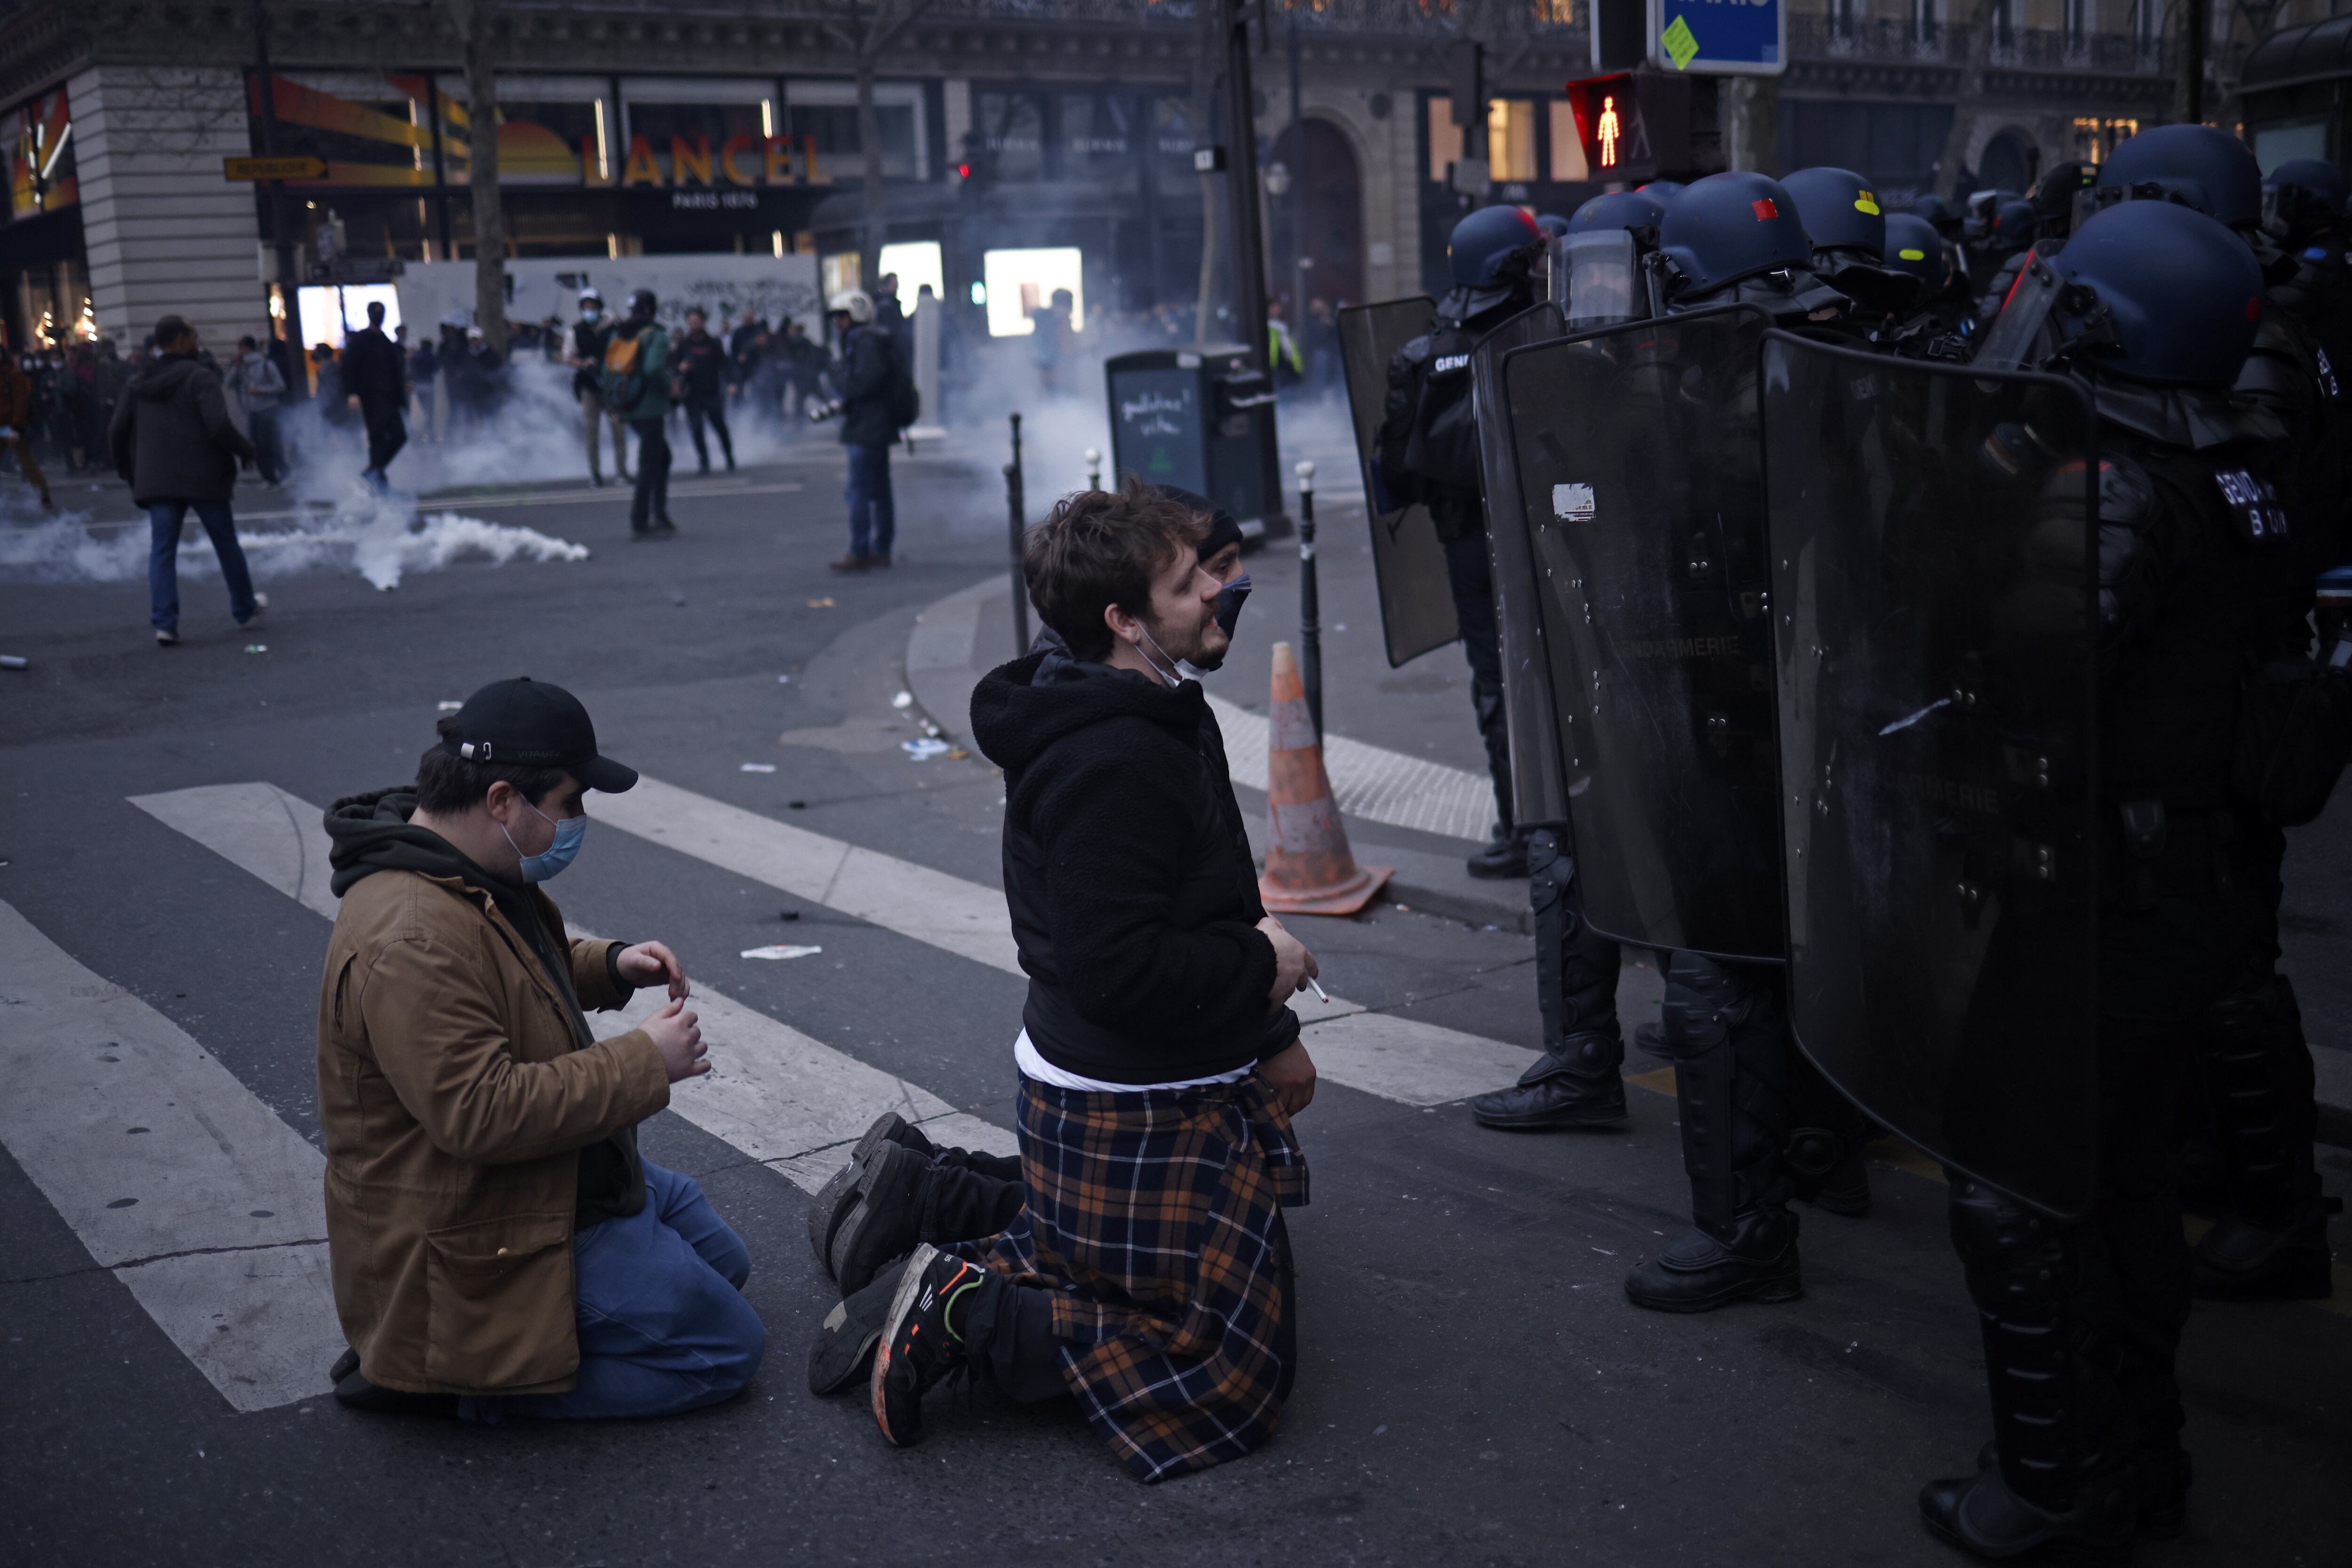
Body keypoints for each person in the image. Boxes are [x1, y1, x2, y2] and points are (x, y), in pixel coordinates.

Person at [1916, 196, 2299, 1559]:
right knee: (2123, 1175)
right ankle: (2142, 1462)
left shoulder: (2120, 489)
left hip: (2107, 898)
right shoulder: (2248, 470)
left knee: (2016, 1186)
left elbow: (2027, 659)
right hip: (2190, 892)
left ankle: (2056, 1488)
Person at [807, 481, 1318, 1477]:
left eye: (1217, 567)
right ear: (1124, 620)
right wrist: (1270, 968)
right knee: (1231, 1367)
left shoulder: (1140, 691)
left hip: (1134, 1075)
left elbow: (1201, 892)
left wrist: (1266, 1031)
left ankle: (928, 1196)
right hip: (1131, 1096)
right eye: (1194, 581)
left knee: (1135, 1261)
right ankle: (968, 1310)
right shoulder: (1117, 756)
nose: (1227, 588)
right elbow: (1119, 965)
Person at [318, 677, 765, 1422]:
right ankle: (474, 1389)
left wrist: (611, 965)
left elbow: (514, 970)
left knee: (725, 1264)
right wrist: (645, 1062)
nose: (578, 822)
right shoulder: (410, 935)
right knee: (727, 1349)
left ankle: (547, 1334)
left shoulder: (464, 865)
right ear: (502, 800)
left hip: (562, 1174)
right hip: (482, 1213)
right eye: (570, 804)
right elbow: (479, 1114)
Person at [1375, 204, 1546, 880]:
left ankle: (1518, 828)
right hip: (1540, 536)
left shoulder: (1420, 355)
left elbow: (1394, 468)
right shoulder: (1542, 337)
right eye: (1531, 259)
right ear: (1510, 267)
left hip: (1466, 543)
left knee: (1495, 682)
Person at [109, 314, 262, 646]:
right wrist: (246, 450)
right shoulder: (199, 377)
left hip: (159, 479)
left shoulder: (138, 382)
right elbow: (219, 425)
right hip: (204, 474)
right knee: (225, 543)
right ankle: (244, 607)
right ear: (179, 341)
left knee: (162, 551)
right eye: (192, 336)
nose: (197, 342)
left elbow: (116, 430)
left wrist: (127, 468)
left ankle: (165, 623)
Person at [818, 288, 910, 571]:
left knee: (858, 490)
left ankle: (860, 551)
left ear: (856, 314)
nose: (838, 323)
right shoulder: (869, 339)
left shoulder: (865, 342)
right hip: (876, 424)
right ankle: (881, 548)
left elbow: (862, 384)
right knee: (880, 489)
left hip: (867, 426)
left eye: (842, 317)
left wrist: (836, 374)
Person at [605, 287, 674, 539]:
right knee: (650, 463)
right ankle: (642, 520)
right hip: (651, 407)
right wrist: (670, 389)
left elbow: (608, 372)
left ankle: (660, 513)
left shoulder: (618, 334)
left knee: (662, 457)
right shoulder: (656, 335)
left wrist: (614, 405)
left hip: (628, 405)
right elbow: (653, 368)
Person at [340, 300, 407, 489]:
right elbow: (348, 367)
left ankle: (375, 470)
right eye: (377, 313)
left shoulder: (385, 341)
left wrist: (401, 393)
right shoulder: (361, 340)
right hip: (371, 397)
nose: (380, 316)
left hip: (389, 397)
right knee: (378, 438)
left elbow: (395, 370)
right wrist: (352, 393)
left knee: (399, 436)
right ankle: (378, 478)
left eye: (382, 312)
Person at [570, 288, 628, 486]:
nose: (589, 311)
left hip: (611, 386)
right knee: (591, 432)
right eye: (586, 307)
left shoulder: (612, 327)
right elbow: (568, 356)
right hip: (589, 386)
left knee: (618, 429)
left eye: (593, 307)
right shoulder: (576, 331)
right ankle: (595, 473)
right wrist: (583, 363)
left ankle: (622, 471)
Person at [672, 306, 735, 474]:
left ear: (703, 322)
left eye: (697, 321)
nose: (695, 324)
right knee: (697, 430)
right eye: (692, 322)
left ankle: (729, 456)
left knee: (720, 427)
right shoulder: (683, 344)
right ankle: (704, 461)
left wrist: (731, 382)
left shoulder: (713, 343)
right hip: (692, 395)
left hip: (712, 393)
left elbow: (725, 364)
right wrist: (681, 369)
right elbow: (673, 367)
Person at [0, 335, 55, 510]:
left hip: (11, 427)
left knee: (28, 464)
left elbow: (21, 402)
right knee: (28, 464)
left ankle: (44, 498)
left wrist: (17, 427)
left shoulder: (14, 375)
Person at [226, 334, 288, 485]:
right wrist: (236, 366)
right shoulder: (241, 366)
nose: (239, 352)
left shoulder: (267, 364)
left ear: (247, 348)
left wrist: (260, 390)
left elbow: (280, 386)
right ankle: (269, 476)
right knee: (257, 444)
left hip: (268, 409)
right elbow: (228, 383)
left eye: (241, 348)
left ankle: (277, 474)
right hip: (252, 410)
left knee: (268, 443)